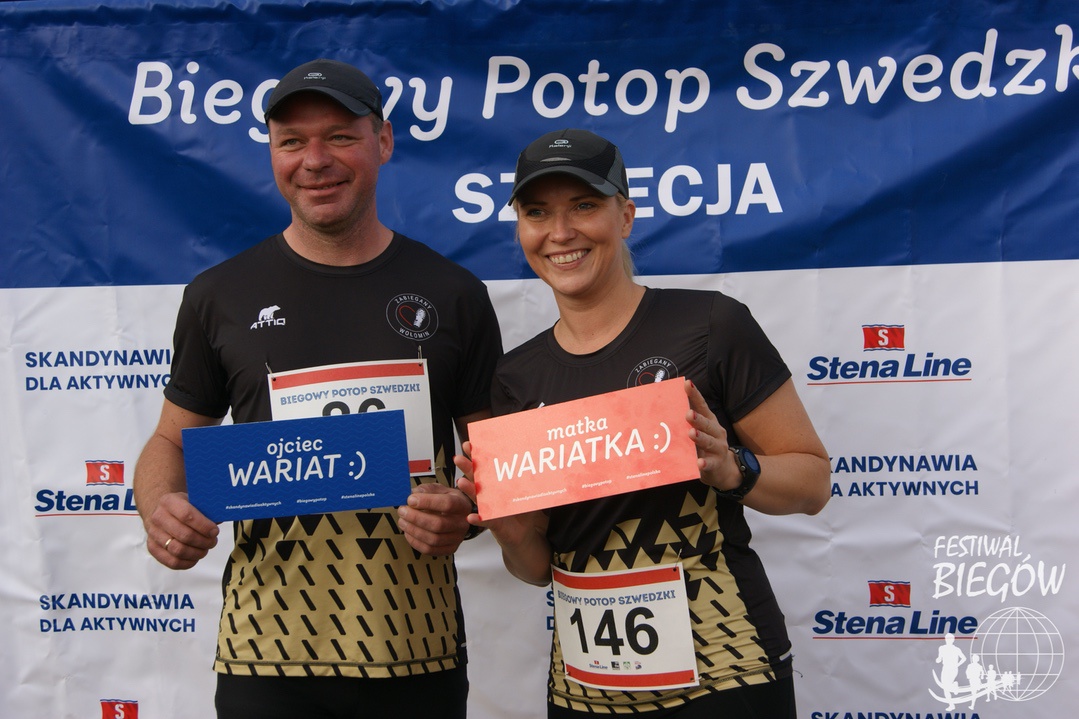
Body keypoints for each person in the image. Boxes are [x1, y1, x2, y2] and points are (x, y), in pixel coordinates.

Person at [133, 58, 502, 719]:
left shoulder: (454, 294)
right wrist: (161, 507)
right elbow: (170, 440)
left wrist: (468, 507)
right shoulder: (219, 295)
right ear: (272, 154)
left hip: (416, 650)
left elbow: (498, 456)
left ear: (382, 141)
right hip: (265, 656)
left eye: (338, 136)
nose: (314, 161)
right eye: (291, 141)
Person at [454, 128, 830, 717]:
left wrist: (734, 469)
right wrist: (512, 532)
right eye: (537, 212)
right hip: (585, 690)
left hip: (727, 672)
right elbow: (535, 568)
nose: (560, 232)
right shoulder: (515, 377)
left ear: (625, 216)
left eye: (584, 206)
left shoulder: (711, 325)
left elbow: (812, 482)